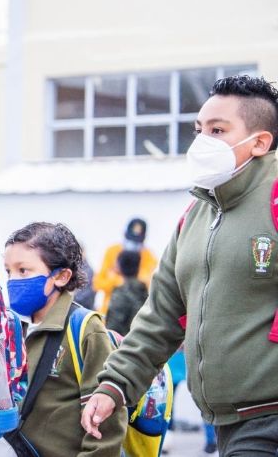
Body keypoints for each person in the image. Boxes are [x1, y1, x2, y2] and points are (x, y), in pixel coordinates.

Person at [82, 75, 278, 454]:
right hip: (227, 422)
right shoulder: (195, 216)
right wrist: (115, 385)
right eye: (199, 129)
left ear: (260, 142)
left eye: (217, 130)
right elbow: (161, 316)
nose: (202, 140)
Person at [3, 222, 126, 455]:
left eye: (23, 271)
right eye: (8, 271)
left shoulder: (85, 329)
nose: (13, 280)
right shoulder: (11, 327)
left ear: (60, 276)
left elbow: (106, 425)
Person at [93, 218, 158, 315]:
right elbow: (97, 283)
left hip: (135, 314)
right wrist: (117, 281)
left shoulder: (148, 256)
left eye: (136, 242)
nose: (132, 245)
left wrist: (115, 276)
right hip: (109, 312)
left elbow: (146, 284)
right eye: (130, 240)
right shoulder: (112, 251)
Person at [104, 250, 147, 336]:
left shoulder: (121, 294)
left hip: (123, 344)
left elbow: (113, 329)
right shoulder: (143, 290)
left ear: (120, 265)